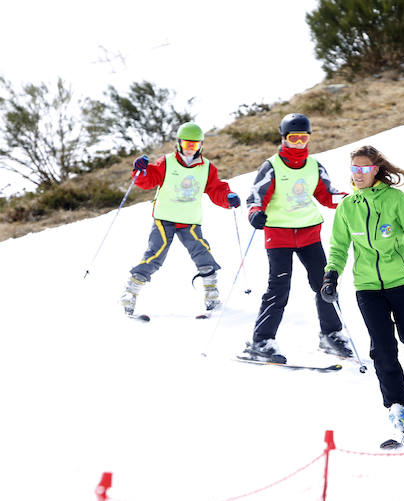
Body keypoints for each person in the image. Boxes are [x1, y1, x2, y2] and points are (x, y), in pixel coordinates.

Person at [320, 145, 404, 435]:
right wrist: (331, 275)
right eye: (354, 169)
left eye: (364, 168)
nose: (358, 174)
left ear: (376, 169)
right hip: (367, 287)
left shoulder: (395, 199)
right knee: (382, 351)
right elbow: (339, 247)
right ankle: (396, 406)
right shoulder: (347, 207)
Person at [242, 113, 352, 363]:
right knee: (279, 289)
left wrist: (348, 200)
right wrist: (255, 213)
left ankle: (331, 335)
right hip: (279, 235)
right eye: (294, 139)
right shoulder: (271, 167)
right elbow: (255, 199)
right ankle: (262, 341)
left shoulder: (314, 166)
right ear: (283, 139)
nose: (299, 143)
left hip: (309, 232)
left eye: (303, 138)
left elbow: (327, 195)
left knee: (325, 284)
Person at [120, 121, 241, 316]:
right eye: (187, 144)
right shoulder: (166, 162)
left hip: (190, 219)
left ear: (201, 145)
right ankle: (131, 291)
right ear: (178, 143)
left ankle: (211, 292)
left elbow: (216, 189)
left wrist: (227, 198)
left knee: (201, 251)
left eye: (194, 145)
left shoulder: (207, 168)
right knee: (155, 254)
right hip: (164, 217)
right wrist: (141, 171)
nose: (190, 149)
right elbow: (148, 180)